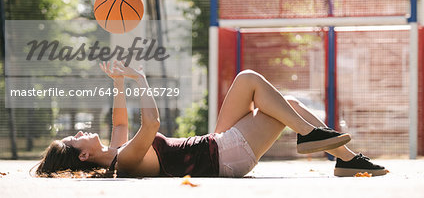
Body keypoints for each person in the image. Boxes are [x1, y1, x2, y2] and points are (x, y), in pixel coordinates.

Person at [34, 61, 386, 178]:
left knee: (285, 102)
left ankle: (345, 161)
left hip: (215, 146)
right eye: (74, 137)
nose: (80, 131)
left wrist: (118, 83)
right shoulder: (122, 162)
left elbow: (120, 119)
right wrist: (140, 78)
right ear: (82, 155)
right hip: (225, 156)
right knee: (250, 79)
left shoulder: (116, 150)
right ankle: (312, 137)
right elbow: (151, 124)